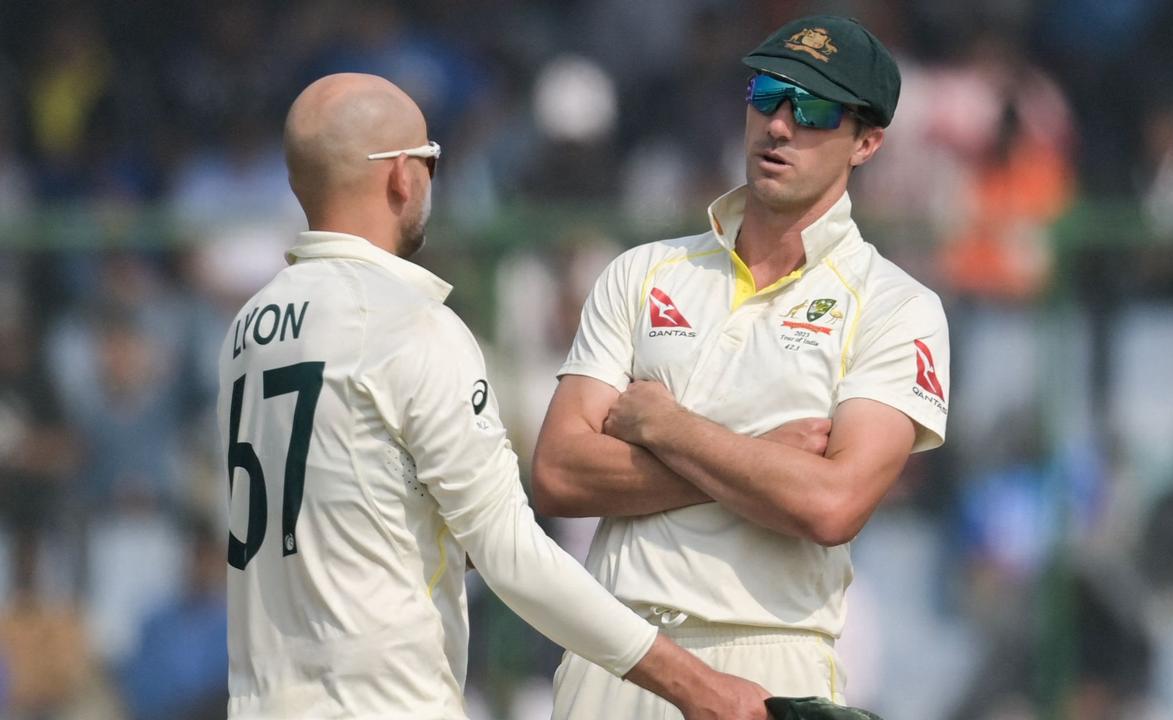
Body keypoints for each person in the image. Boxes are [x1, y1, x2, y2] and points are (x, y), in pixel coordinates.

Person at [216, 73, 770, 720]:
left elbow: (353, 523)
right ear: (401, 176)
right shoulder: (409, 323)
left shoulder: (247, 329)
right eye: (430, 162)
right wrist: (700, 687)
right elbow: (510, 552)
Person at [532, 15, 950, 719]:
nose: (780, 125)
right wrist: (756, 461)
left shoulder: (896, 306)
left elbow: (830, 505)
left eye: (816, 108)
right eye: (767, 94)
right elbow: (558, 474)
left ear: (868, 142)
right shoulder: (642, 271)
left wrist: (668, 427)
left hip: (768, 660)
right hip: (612, 649)